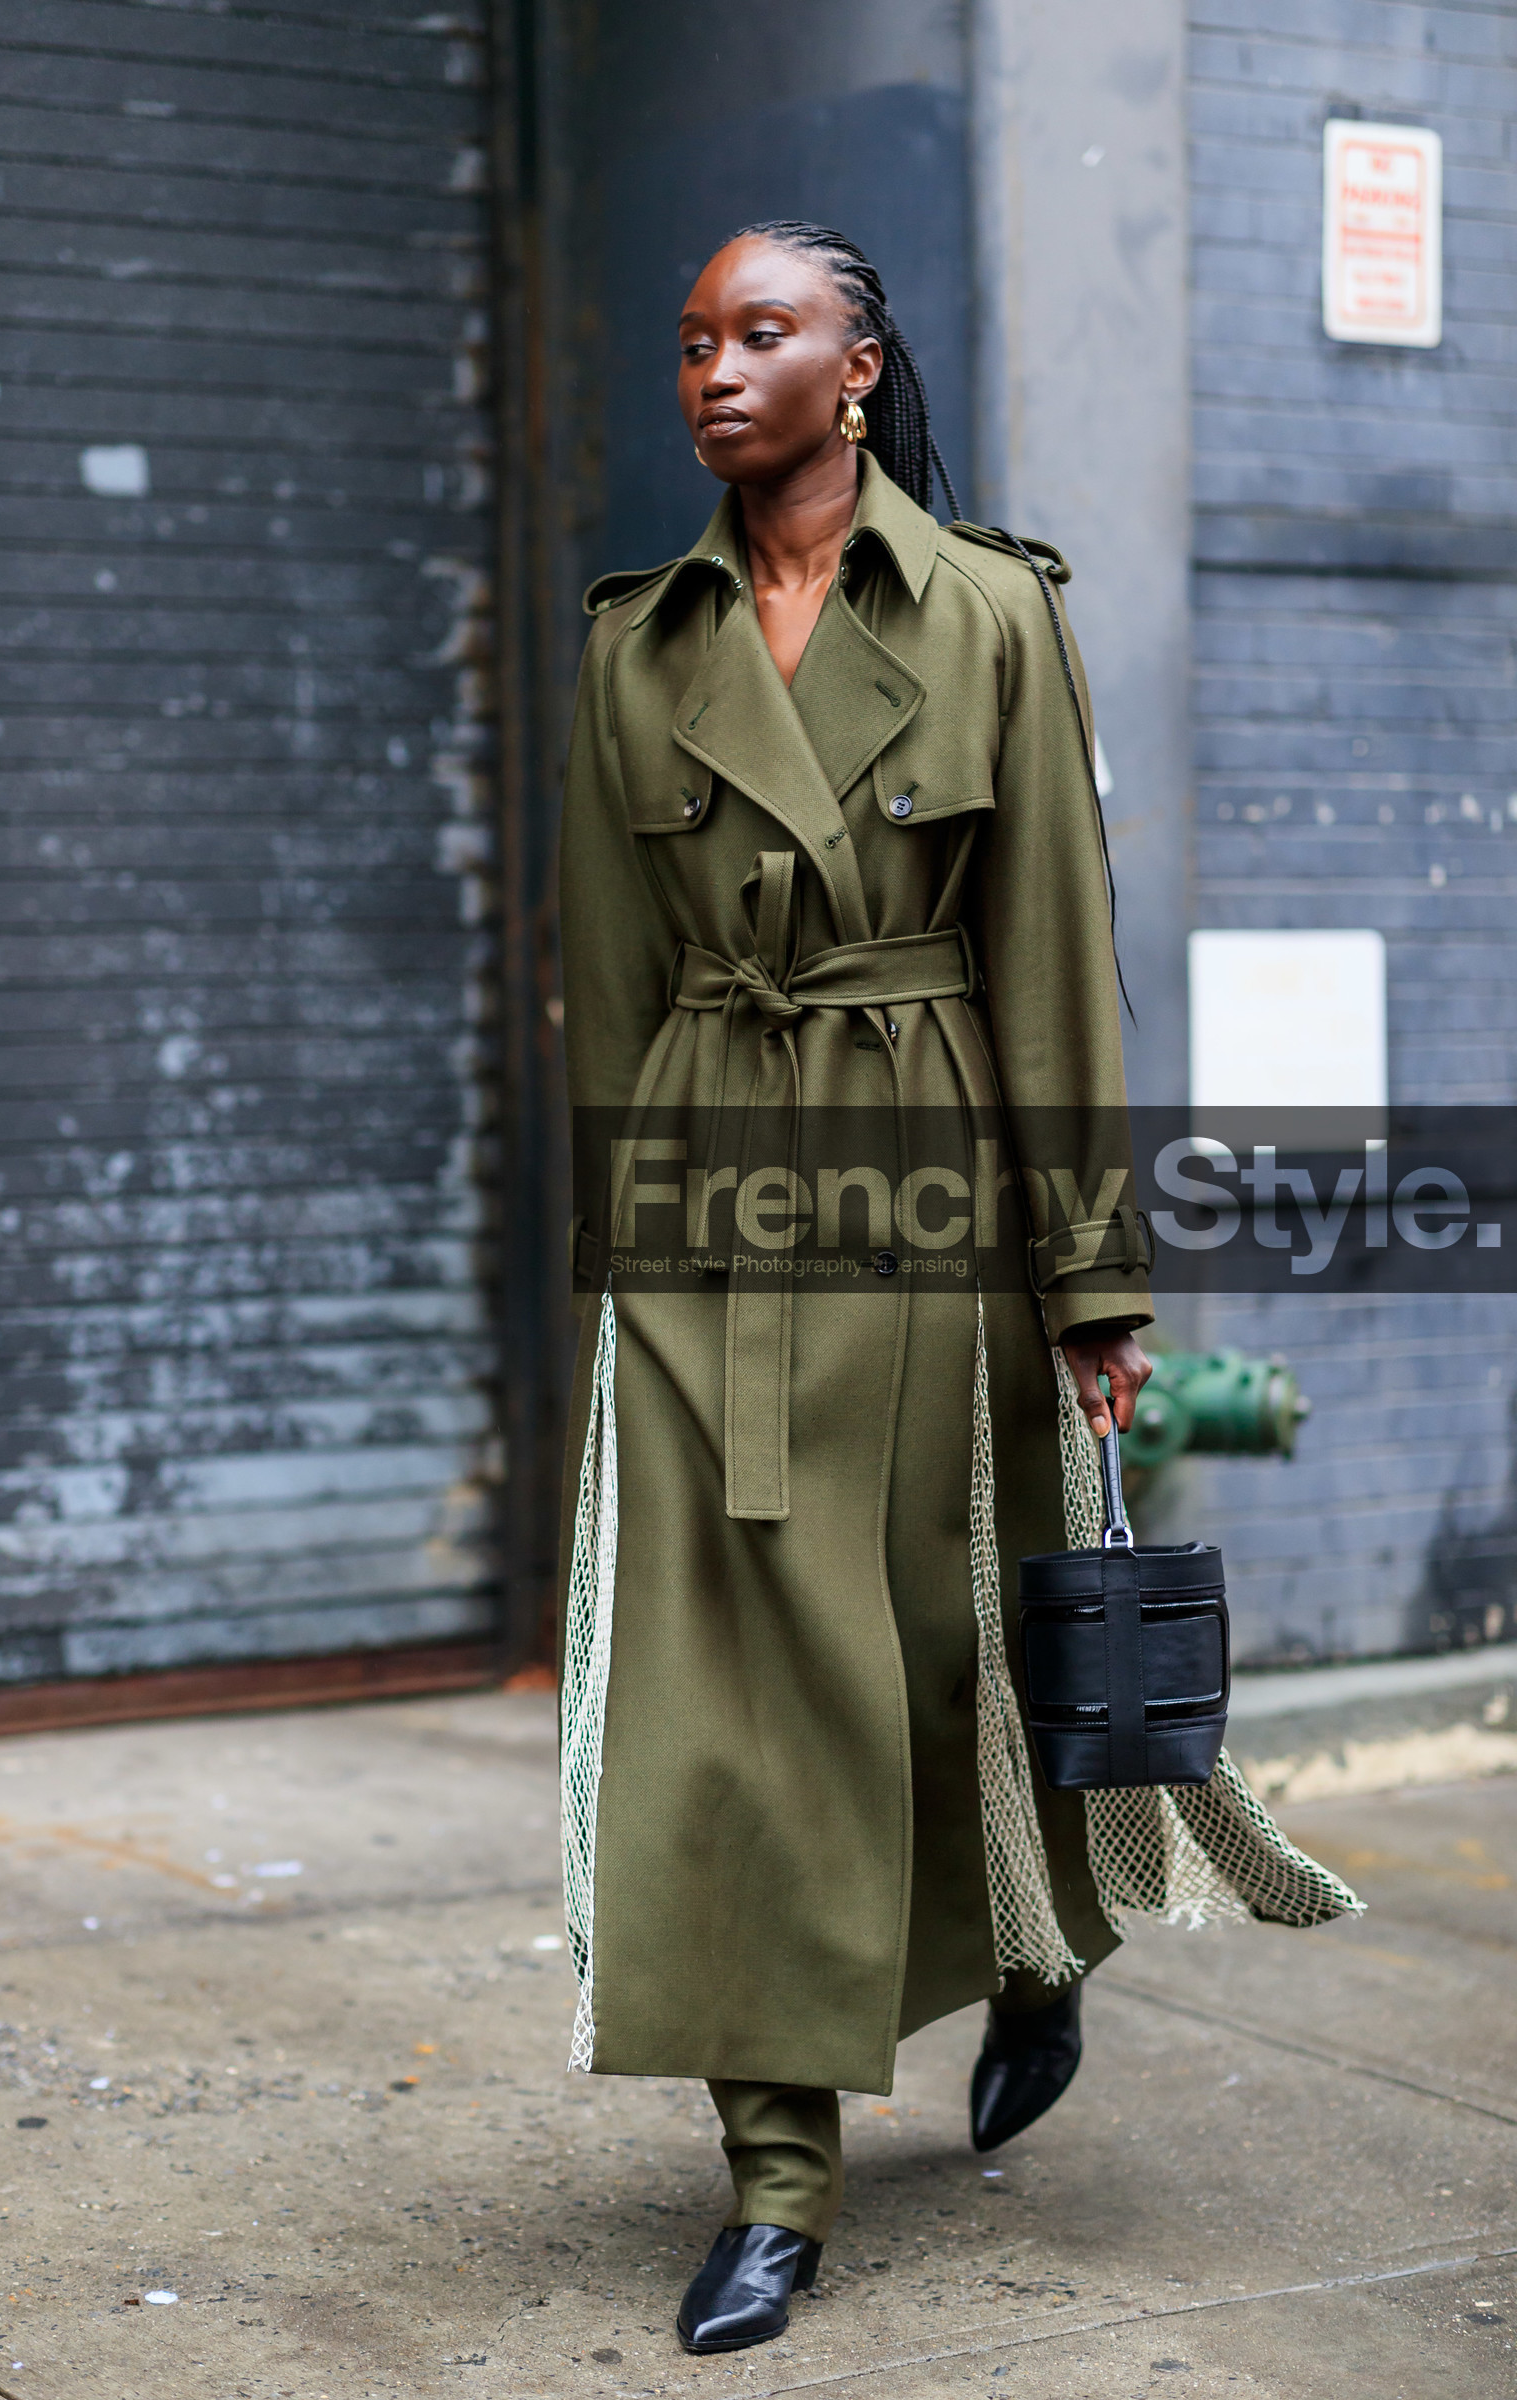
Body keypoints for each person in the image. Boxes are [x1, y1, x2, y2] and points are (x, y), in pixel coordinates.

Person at [555, 221, 1359, 2358]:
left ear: (857, 362)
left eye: (761, 335)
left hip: (931, 1208)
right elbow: (609, 995)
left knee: (939, 1663)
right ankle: (777, 2175)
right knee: (734, 1716)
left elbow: (1046, 972)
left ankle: (1030, 1948)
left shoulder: (990, 609)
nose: (713, 372)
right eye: (690, 339)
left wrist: (1093, 1292)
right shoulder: (637, 645)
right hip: (717, 1219)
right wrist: (619, 1268)